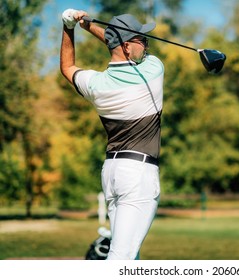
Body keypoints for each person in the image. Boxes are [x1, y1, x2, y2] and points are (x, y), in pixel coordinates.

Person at [60, 9, 164, 260]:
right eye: (142, 40)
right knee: (121, 259)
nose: (146, 46)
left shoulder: (96, 84)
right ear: (128, 47)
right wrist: (87, 26)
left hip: (112, 173)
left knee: (131, 256)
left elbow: (67, 67)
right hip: (137, 175)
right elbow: (111, 39)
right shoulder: (152, 71)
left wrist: (69, 28)